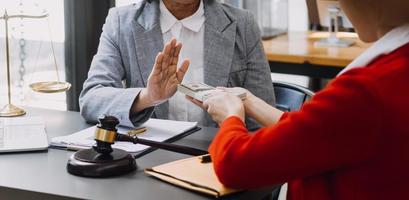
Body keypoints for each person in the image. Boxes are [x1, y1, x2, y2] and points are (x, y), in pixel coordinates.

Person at [189, 0, 409, 199]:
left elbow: (234, 165)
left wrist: (230, 116)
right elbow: (321, 133)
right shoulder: (388, 78)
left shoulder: (364, 91)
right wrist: (248, 101)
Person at [79, 0, 275, 129]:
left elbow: (264, 119)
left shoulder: (242, 24)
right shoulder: (122, 21)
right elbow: (91, 99)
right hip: (149, 161)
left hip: (219, 158)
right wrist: (148, 97)